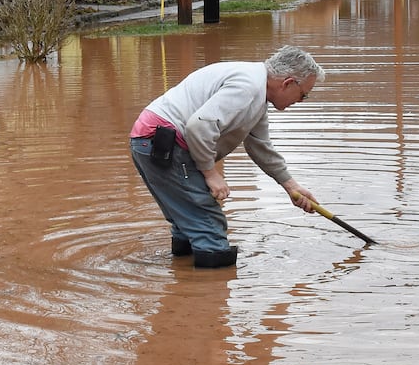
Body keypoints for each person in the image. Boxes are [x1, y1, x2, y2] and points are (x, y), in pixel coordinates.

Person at [129, 45, 323, 269]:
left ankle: (182, 284)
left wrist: (291, 187)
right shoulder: (248, 87)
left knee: (189, 220)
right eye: (303, 95)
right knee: (209, 225)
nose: (300, 100)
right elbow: (199, 126)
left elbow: (260, 146)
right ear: (288, 82)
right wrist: (211, 174)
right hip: (163, 142)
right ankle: (211, 295)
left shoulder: (256, 91)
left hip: (152, 141)